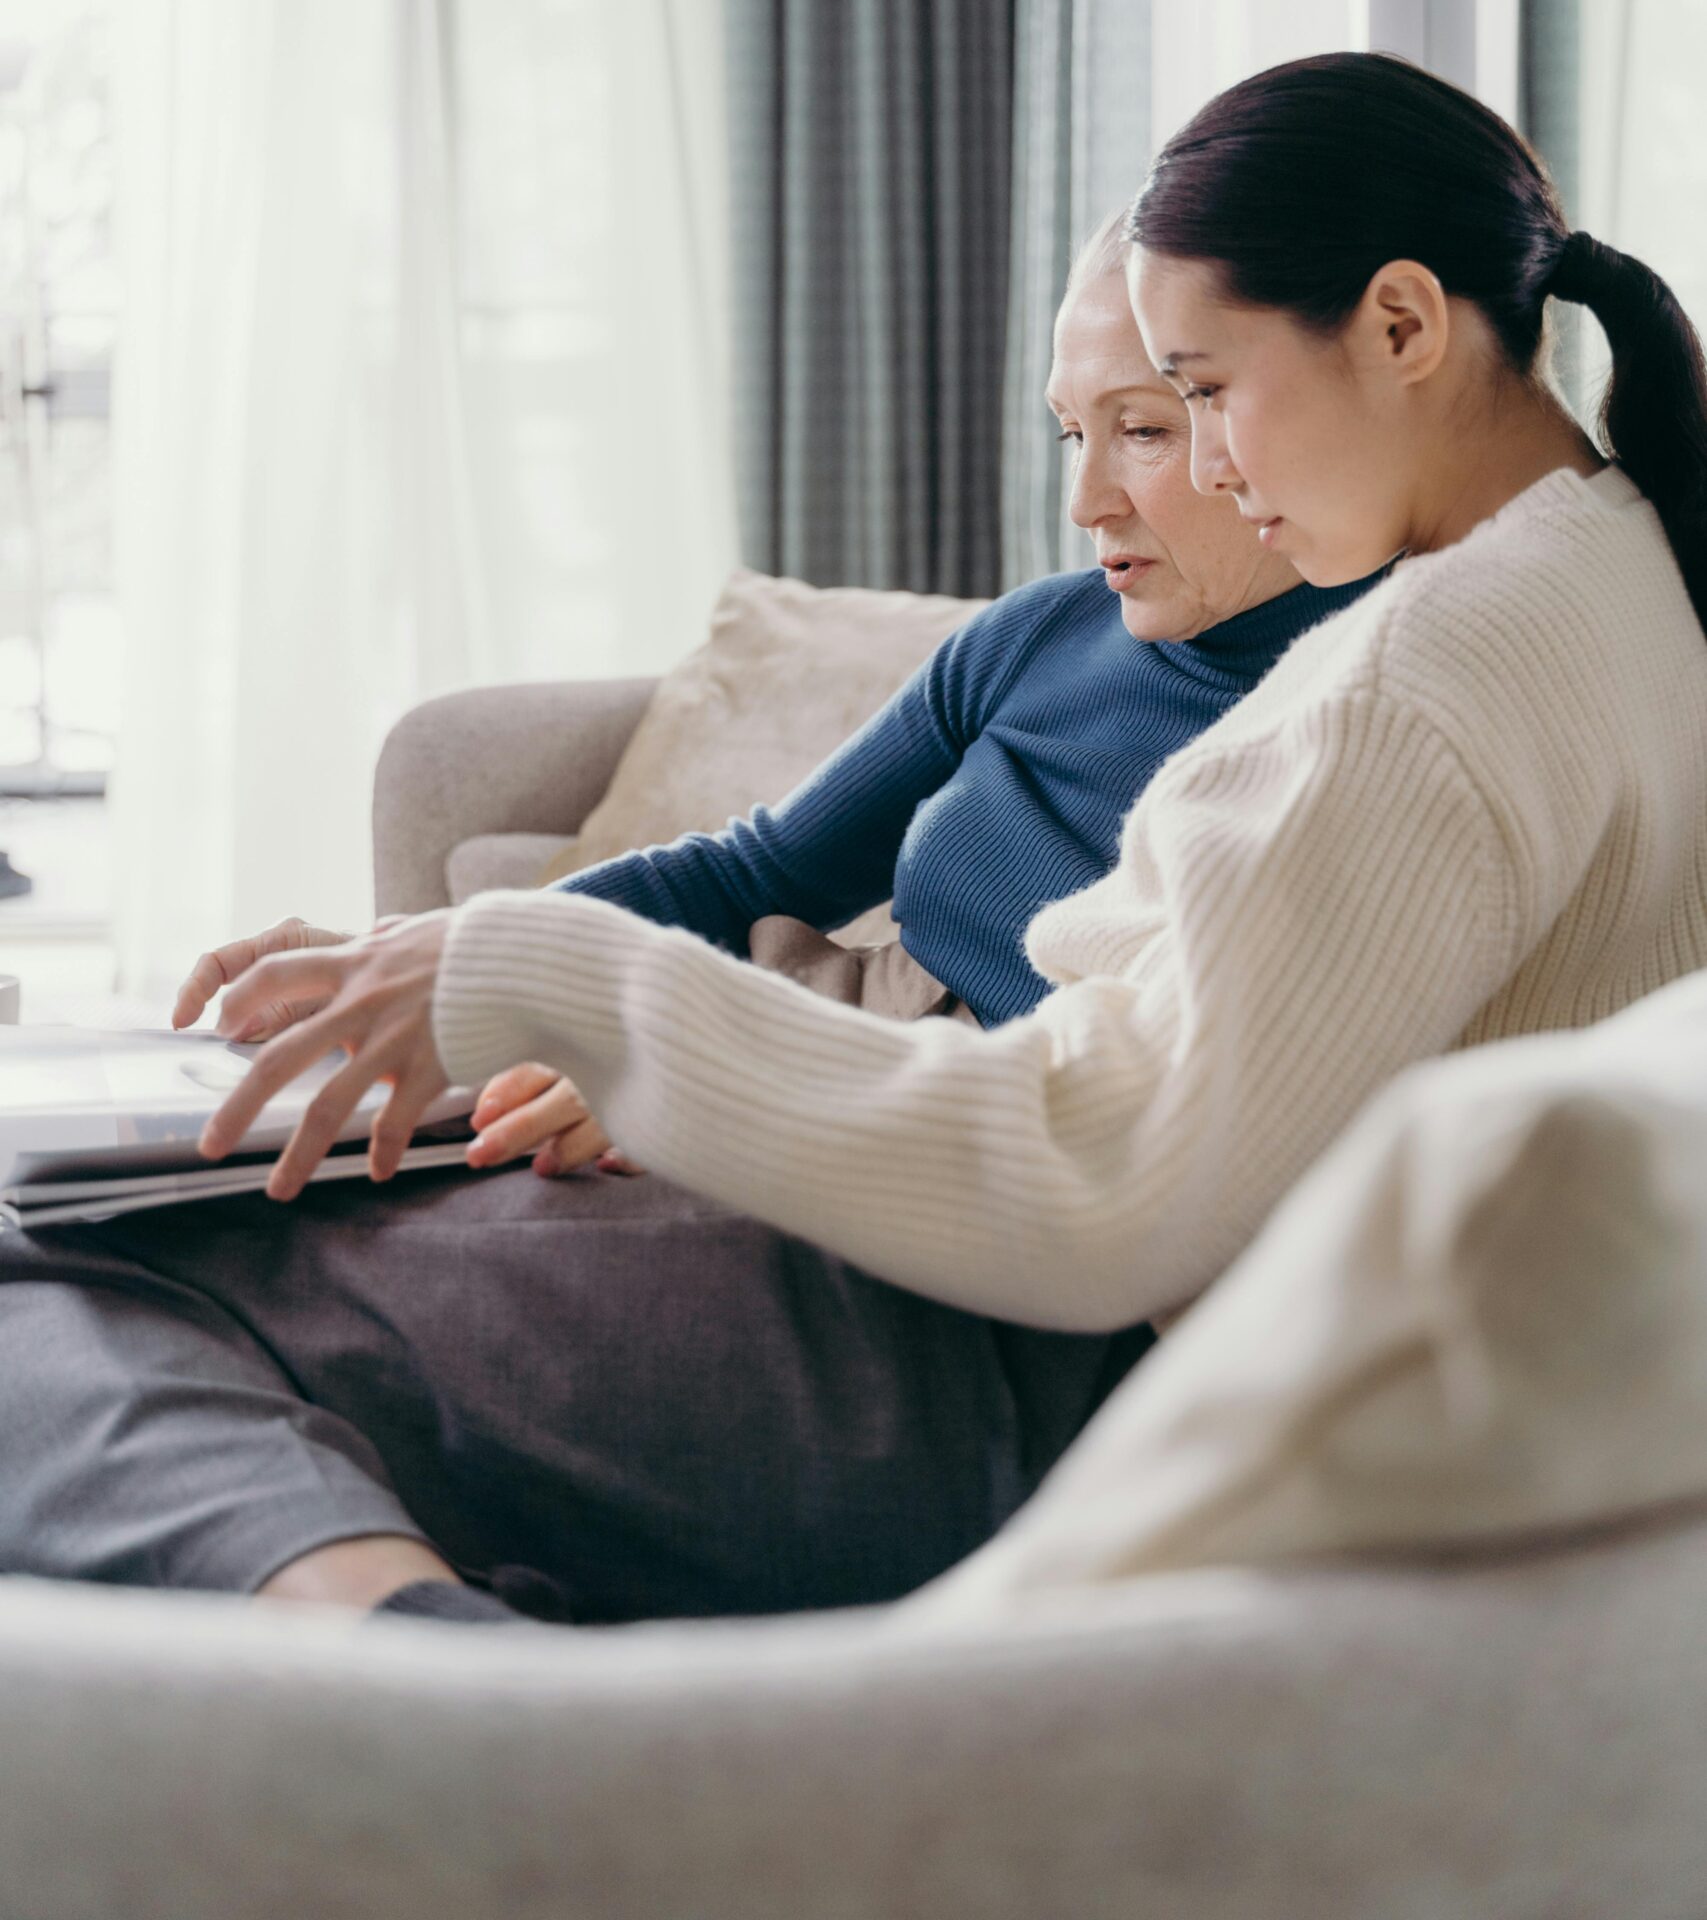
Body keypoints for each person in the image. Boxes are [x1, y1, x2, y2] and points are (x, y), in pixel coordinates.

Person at [182, 52, 1707, 1623]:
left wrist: (566, 980)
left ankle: (415, 1679)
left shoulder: (1419, 685)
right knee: (176, 1272)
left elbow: (1096, 1182)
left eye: (1198, 395)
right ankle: (412, 1640)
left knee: (134, 1291)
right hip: (1092, 1346)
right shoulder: (1610, 570)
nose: (1214, 464)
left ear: (1400, 326)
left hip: (1042, 1391)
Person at [0, 219, 1371, 1626]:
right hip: (799, 1180)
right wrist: (418, 970)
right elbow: (747, 874)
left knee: (80, 1284)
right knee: (65, 1216)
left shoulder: (1364, 727)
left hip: (974, 1321)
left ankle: (408, 1671)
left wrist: (708, 1072)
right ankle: (409, 1639)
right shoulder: (1046, 637)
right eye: (1070, 429)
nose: (1090, 499)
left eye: (1145, 427)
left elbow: (1127, 1142)